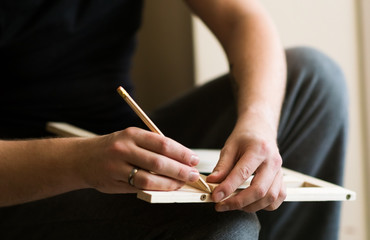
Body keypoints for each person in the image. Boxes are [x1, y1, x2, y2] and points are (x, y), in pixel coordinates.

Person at [0, 0, 347, 240]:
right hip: (21, 181)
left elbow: (241, 15)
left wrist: (259, 122)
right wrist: (80, 161)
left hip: (114, 146)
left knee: (314, 78)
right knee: (223, 227)